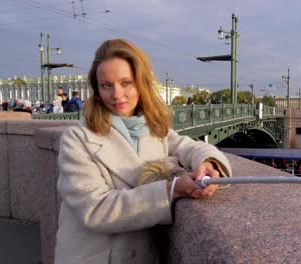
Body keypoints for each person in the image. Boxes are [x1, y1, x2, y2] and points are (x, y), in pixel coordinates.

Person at [54, 38, 232, 264]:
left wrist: (207, 162)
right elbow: (96, 209)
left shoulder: (151, 126)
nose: (117, 95)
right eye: (106, 85)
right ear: (97, 89)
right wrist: (170, 190)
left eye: (126, 82)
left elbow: (185, 145)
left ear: (141, 82)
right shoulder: (77, 138)